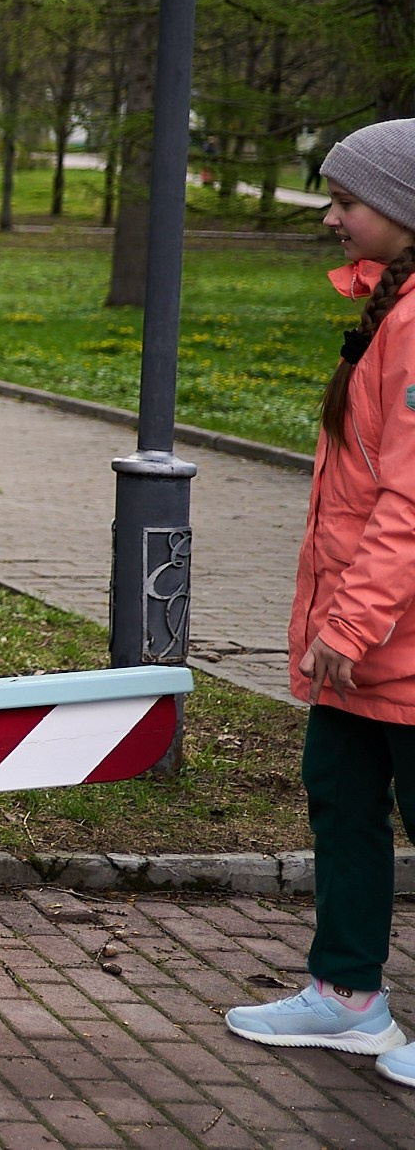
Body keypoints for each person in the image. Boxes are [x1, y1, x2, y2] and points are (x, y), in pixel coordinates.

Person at [226, 117, 415, 1082]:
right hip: (362, 644)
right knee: (340, 801)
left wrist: (349, 619)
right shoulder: (390, 307)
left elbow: (410, 500)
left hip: (393, 641)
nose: (331, 216)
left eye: (347, 199)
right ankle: (350, 998)